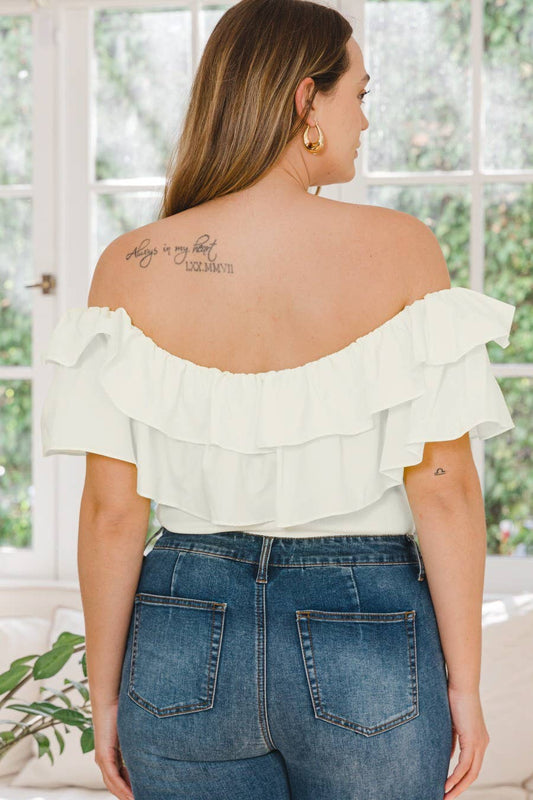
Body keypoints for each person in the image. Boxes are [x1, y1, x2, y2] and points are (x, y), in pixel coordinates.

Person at [40, 0, 516, 798]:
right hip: (365, 630)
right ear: (306, 101)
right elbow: (442, 489)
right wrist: (464, 688)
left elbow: (112, 513)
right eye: (358, 94)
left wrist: (105, 694)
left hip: (181, 630)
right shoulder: (401, 249)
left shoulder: (129, 264)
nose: (364, 119)